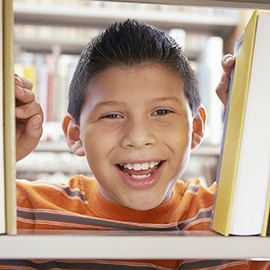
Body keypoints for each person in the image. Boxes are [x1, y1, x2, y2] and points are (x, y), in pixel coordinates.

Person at [6, 20, 269, 269]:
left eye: (162, 112)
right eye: (112, 115)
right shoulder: (22, 210)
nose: (138, 137)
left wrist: (254, 122)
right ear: (76, 136)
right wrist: (5, 154)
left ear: (195, 128)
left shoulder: (235, 215)